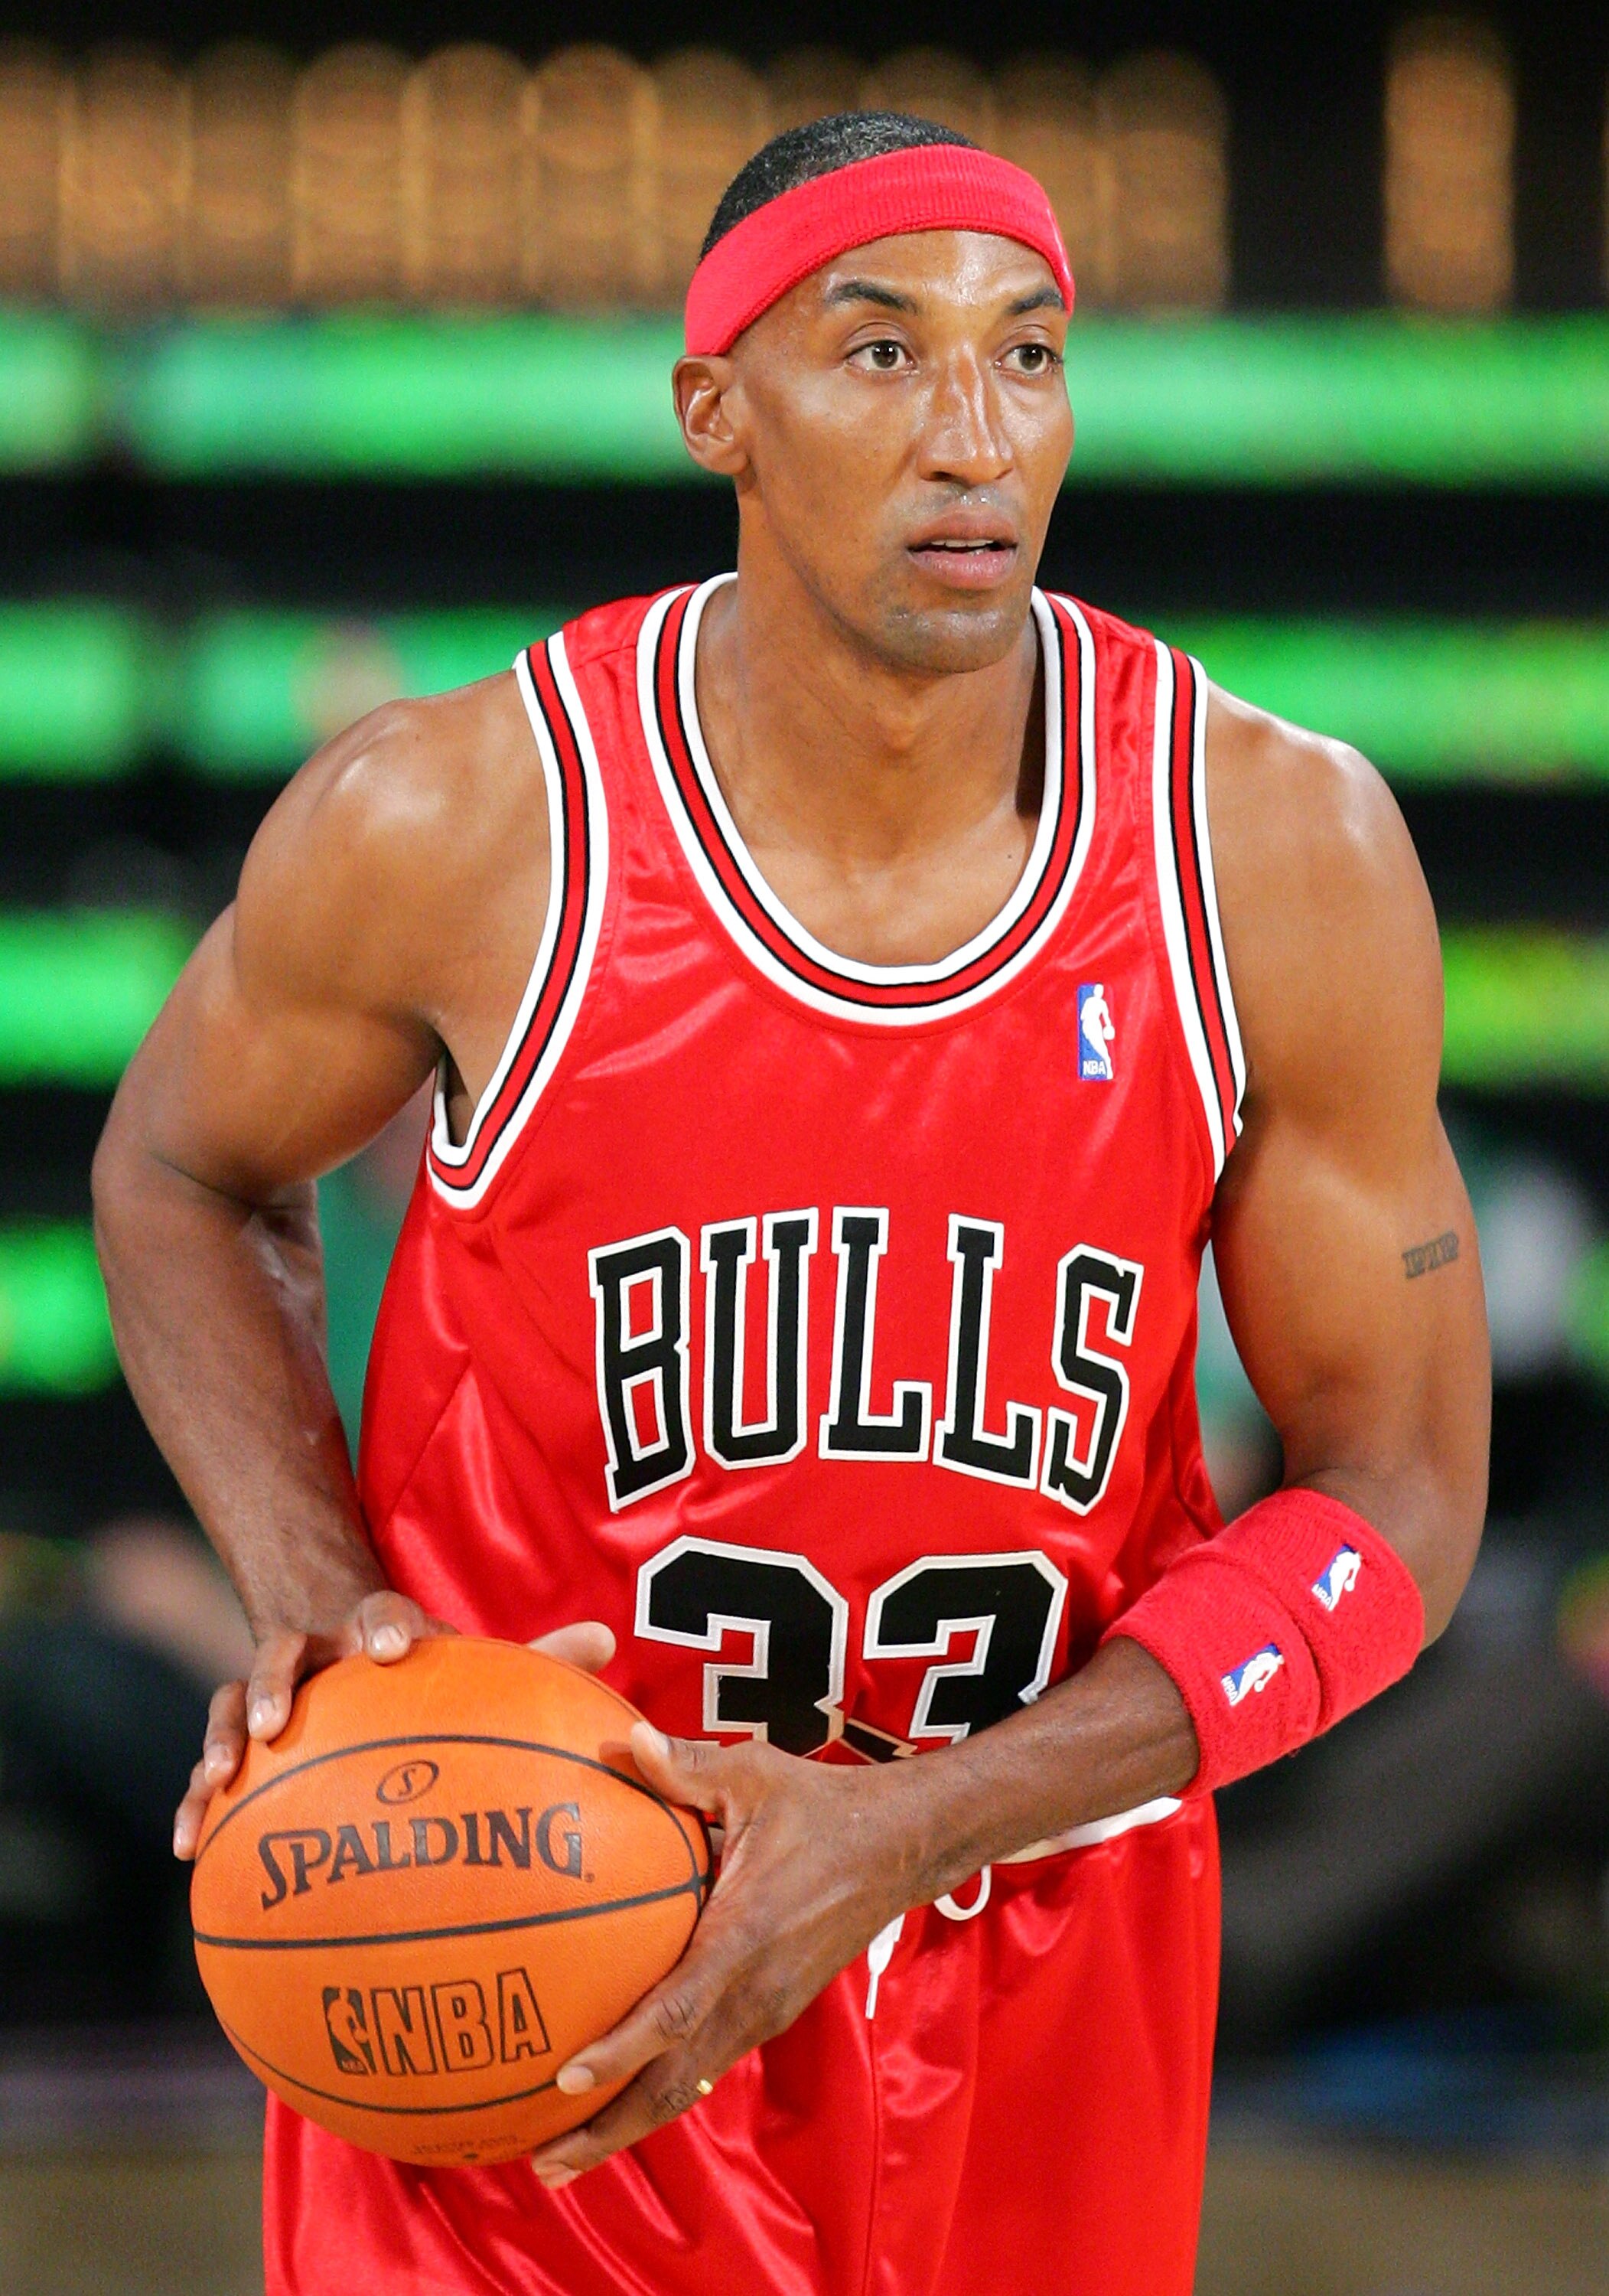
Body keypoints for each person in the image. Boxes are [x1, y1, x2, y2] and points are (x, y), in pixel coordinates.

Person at [93, 113, 1490, 2296]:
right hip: (523, 1982)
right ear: (714, 411)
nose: (973, 433)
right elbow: (177, 1165)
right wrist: (321, 1611)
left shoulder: (1273, 853)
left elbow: (1396, 1503)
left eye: (1027, 357)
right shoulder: (467, 819)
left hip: (1031, 1970)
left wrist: (906, 1826)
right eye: (880, 354)